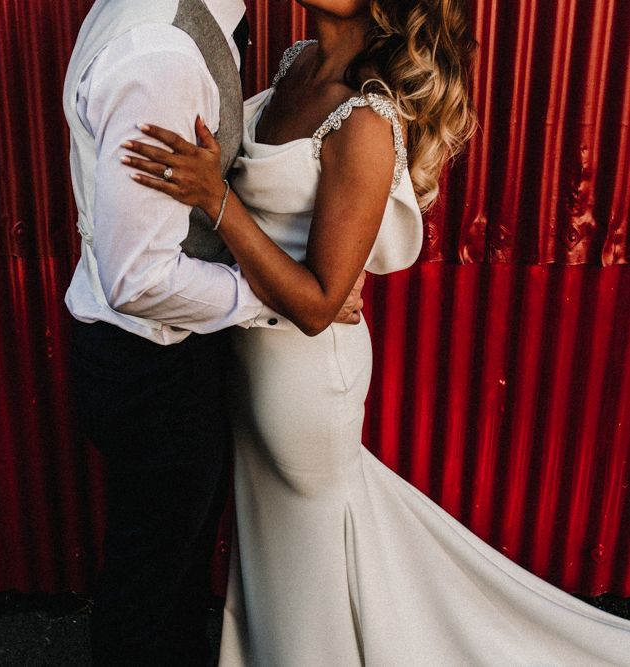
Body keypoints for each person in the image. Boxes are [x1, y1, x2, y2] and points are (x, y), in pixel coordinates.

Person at [121, 0, 630, 664]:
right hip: (245, 354)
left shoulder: (364, 117)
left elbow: (317, 303)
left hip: (301, 380)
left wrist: (213, 198)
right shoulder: (298, 61)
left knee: (309, 566)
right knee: (279, 553)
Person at [62, 0, 363, 664]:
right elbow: (141, 279)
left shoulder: (170, 18)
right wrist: (279, 294)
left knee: (168, 577)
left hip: (149, 354)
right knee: (152, 590)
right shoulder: (164, 52)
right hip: (154, 361)